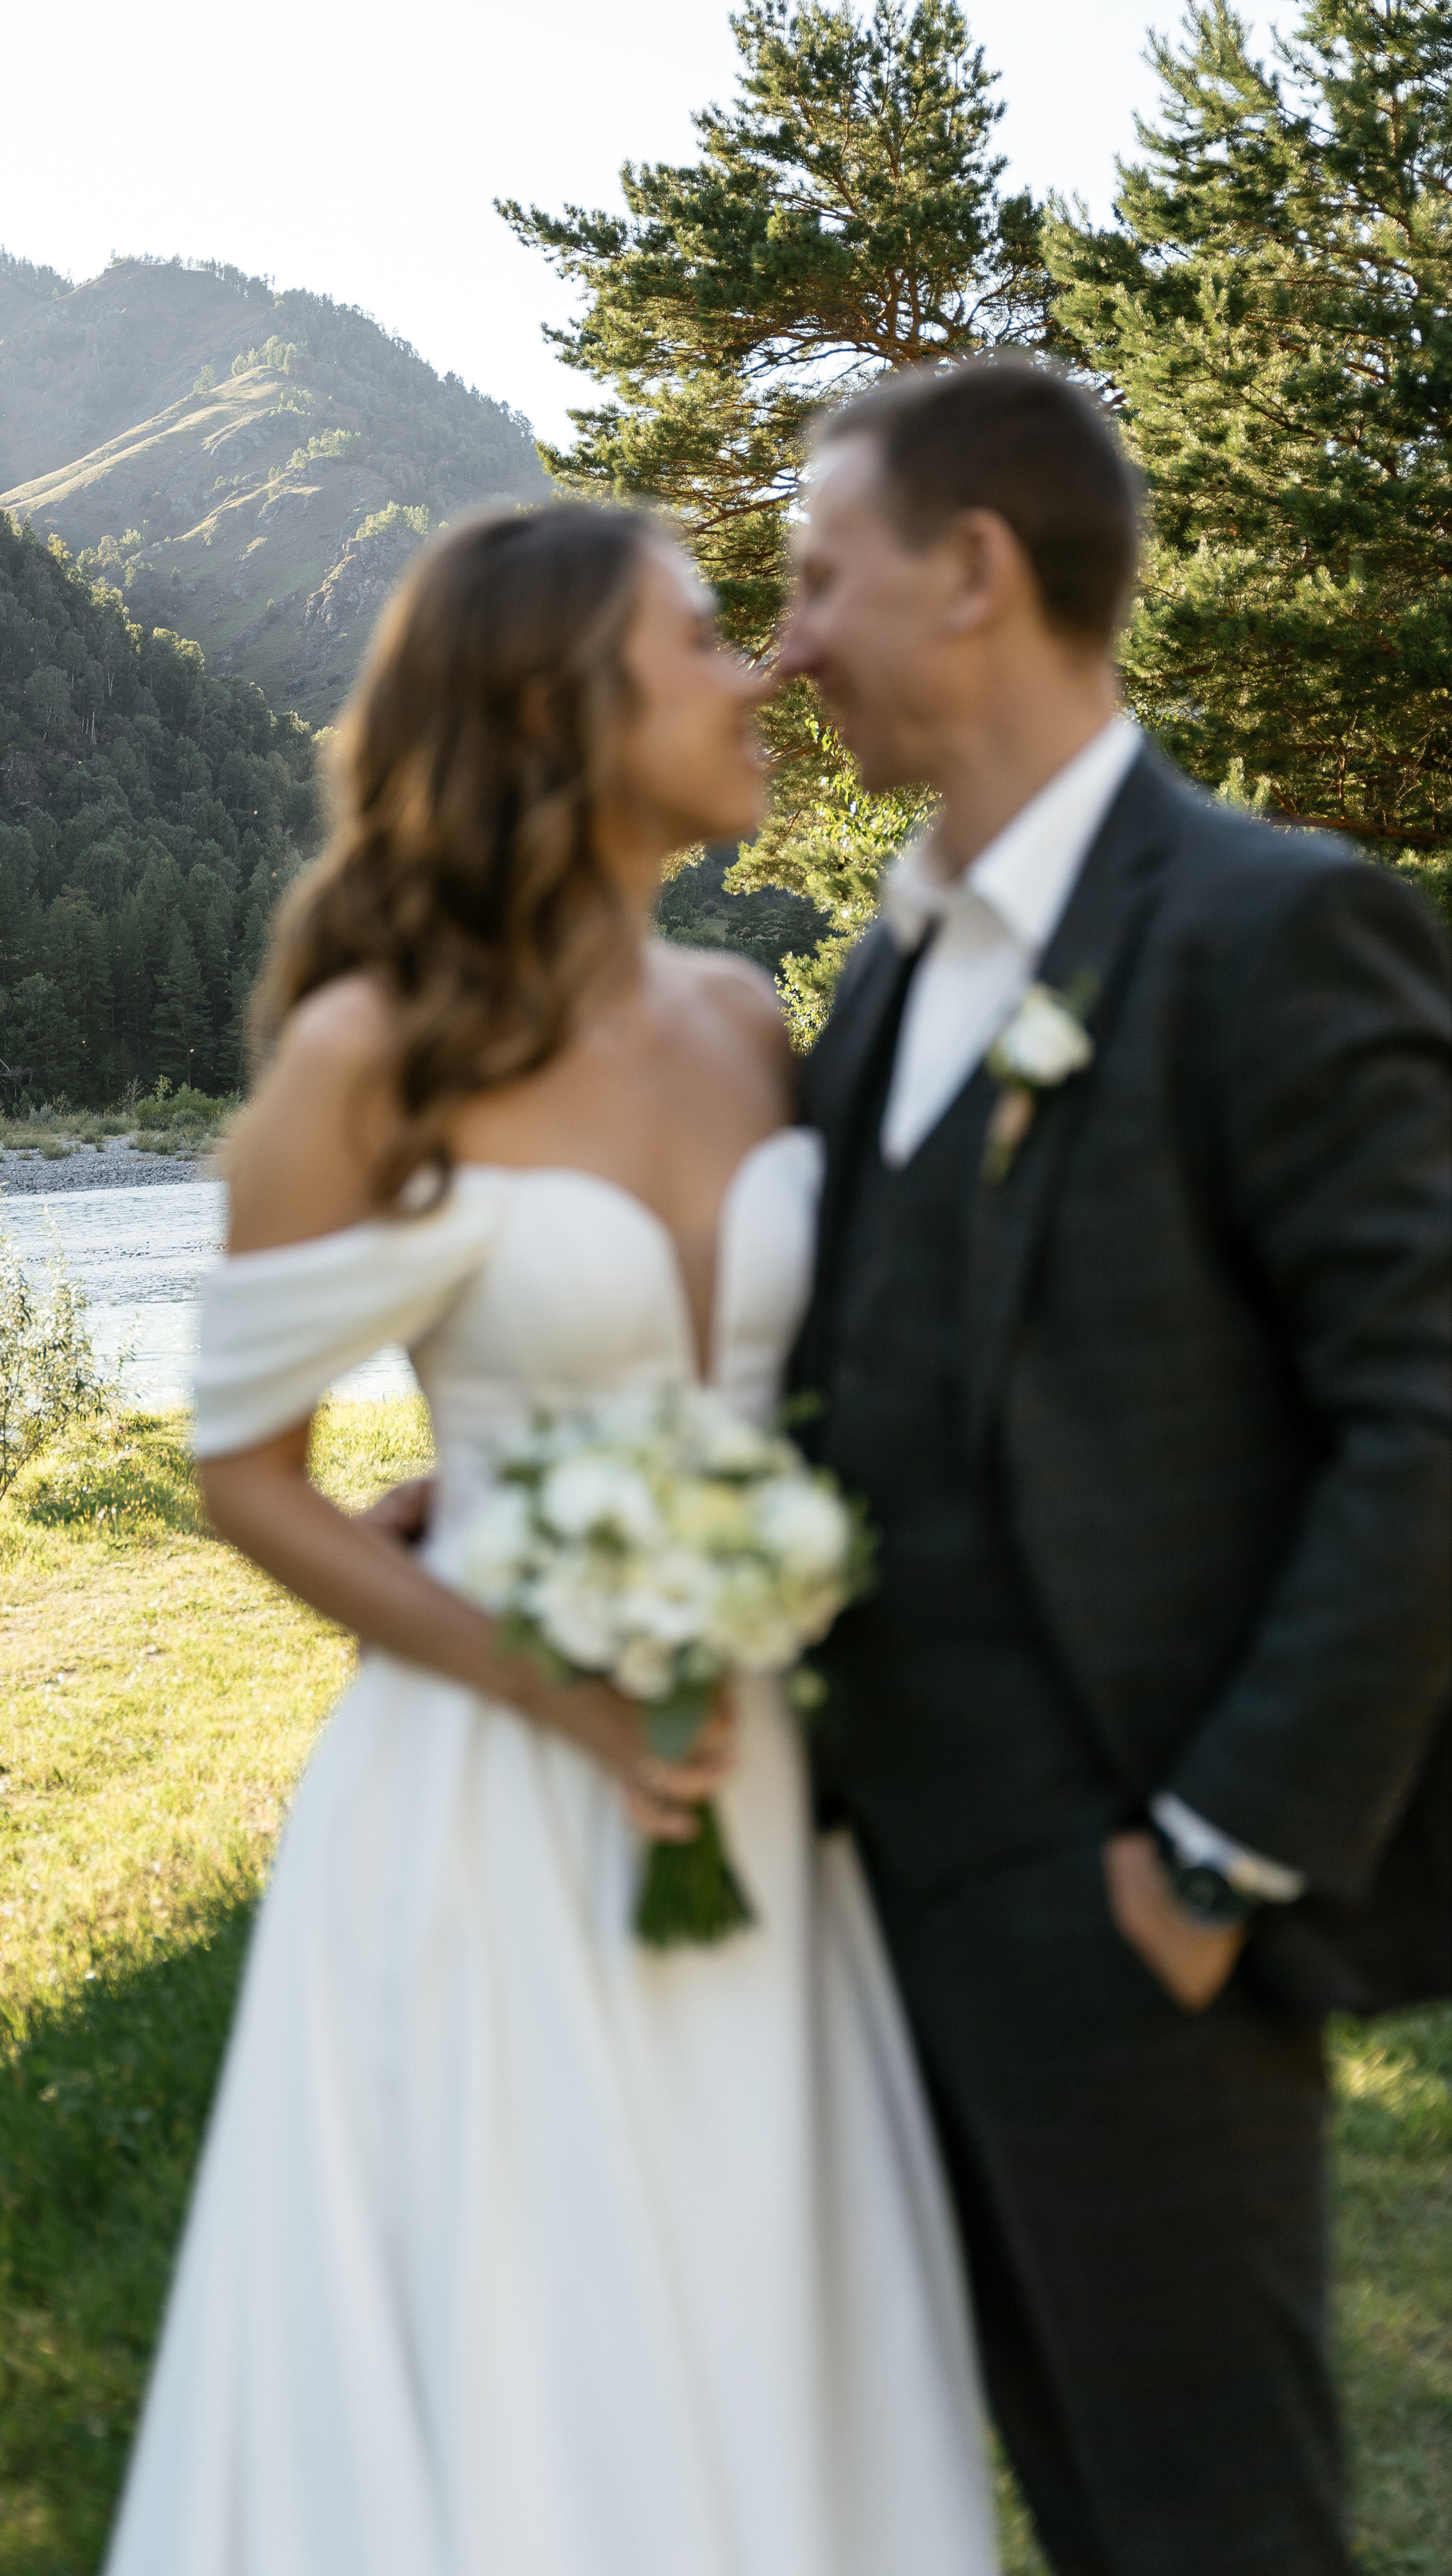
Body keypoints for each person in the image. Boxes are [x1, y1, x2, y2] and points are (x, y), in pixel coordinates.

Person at [101, 504, 999, 2576]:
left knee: (771, 2323)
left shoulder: (751, 1028)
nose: (761, 672)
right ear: (553, 708)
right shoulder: (369, 1059)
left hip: (763, 1778)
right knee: (540, 2346)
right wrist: (551, 1678)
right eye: (701, 639)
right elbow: (245, 1474)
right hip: (499, 1792)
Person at [778, 355, 1451, 2576]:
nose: (784, 644)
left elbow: (1426, 1416)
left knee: (1214, 2531)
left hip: (1139, 1927)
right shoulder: (885, 973)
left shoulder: (1272, 926)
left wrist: (1216, 1859)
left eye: (815, 580)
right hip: (880, 1910)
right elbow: (843, 1369)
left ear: (975, 574)